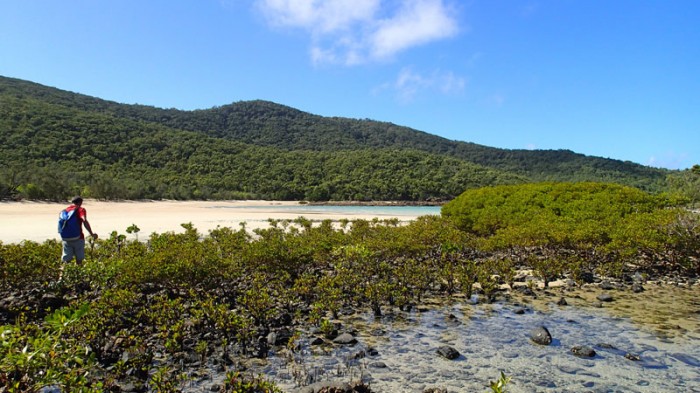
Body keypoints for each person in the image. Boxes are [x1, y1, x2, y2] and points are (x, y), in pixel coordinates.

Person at [61, 196, 98, 266]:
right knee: (79, 261)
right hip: (78, 238)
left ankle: (61, 276)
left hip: (66, 239)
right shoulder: (80, 209)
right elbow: (84, 220)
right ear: (80, 202)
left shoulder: (65, 210)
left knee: (66, 261)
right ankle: (78, 276)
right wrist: (91, 233)